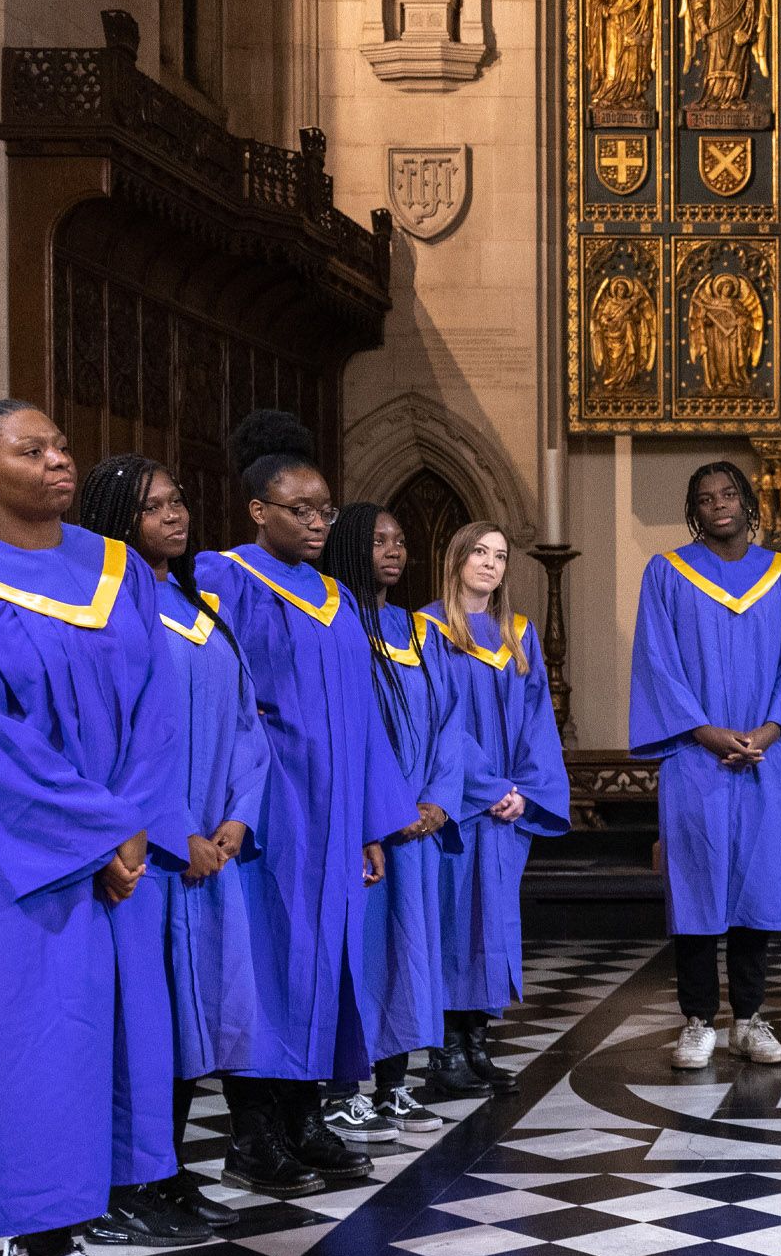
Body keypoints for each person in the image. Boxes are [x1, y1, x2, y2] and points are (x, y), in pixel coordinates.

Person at [0, 400, 183, 1256]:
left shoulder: (117, 571)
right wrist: (101, 832)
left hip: (115, 848)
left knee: (111, 1039)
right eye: (33, 451)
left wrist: (137, 829)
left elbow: (158, 708)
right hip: (12, 852)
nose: (59, 460)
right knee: (34, 1043)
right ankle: (37, 1249)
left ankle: (72, 1229)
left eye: (61, 445)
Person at [193, 414, 419, 1196]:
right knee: (265, 968)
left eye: (325, 508)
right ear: (260, 509)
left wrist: (368, 825)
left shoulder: (336, 597)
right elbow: (219, 700)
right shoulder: (225, 577)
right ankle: (253, 1138)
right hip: (265, 813)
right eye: (301, 509)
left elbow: (361, 716)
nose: (320, 521)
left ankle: (302, 1118)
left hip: (333, 820)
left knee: (325, 968)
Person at [73, 454, 272, 1240]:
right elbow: (124, 739)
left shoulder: (199, 608)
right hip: (147, 860)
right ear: (120, 522)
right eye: (154, 508)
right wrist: (174, 828)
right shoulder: (111, 610)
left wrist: (236, 819)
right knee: (139, 1024)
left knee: (189, 1027)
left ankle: (167, 1170)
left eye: (178, 500)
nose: (175, 516)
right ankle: (125, 1182)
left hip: (208, 854)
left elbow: (248, 728)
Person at [630, 461, 781, 1071]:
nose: (719, 504)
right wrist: (710, 734)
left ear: (747, 503)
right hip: (695, 757)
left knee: (755, 888)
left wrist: (764, 733)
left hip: (763, 755)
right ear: (694, 509)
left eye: (728, 493)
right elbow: (658, 664)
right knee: (696, 887)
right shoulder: (667, 573)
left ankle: (751, 1018)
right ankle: (696, 1020)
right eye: (705, 497)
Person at [318, 502, 493, 1145]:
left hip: (417, 824)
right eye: (379, 540)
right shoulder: (336, 622)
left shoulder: (417, 633)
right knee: (357, 956)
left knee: (407, 956)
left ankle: (393, 1086)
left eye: (399, 540)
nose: (394, 551)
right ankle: (340, 1092)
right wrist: (391, 807)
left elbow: (449, 726)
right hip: (368, 826)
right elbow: (350, 731)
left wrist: (440, 800)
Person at [423, 522, 573, 1092]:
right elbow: (438, 725)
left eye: (501, 556)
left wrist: (527, 792)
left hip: (507, 807)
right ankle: (445, 1054)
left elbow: (538, 720)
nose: (490, 564)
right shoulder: (427, 629)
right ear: (457, 558)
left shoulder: (518, 633)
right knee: (454, 922)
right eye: (480, 553)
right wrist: (488, 789)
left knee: (493, 927)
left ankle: (477, 1045)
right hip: (457, 808)